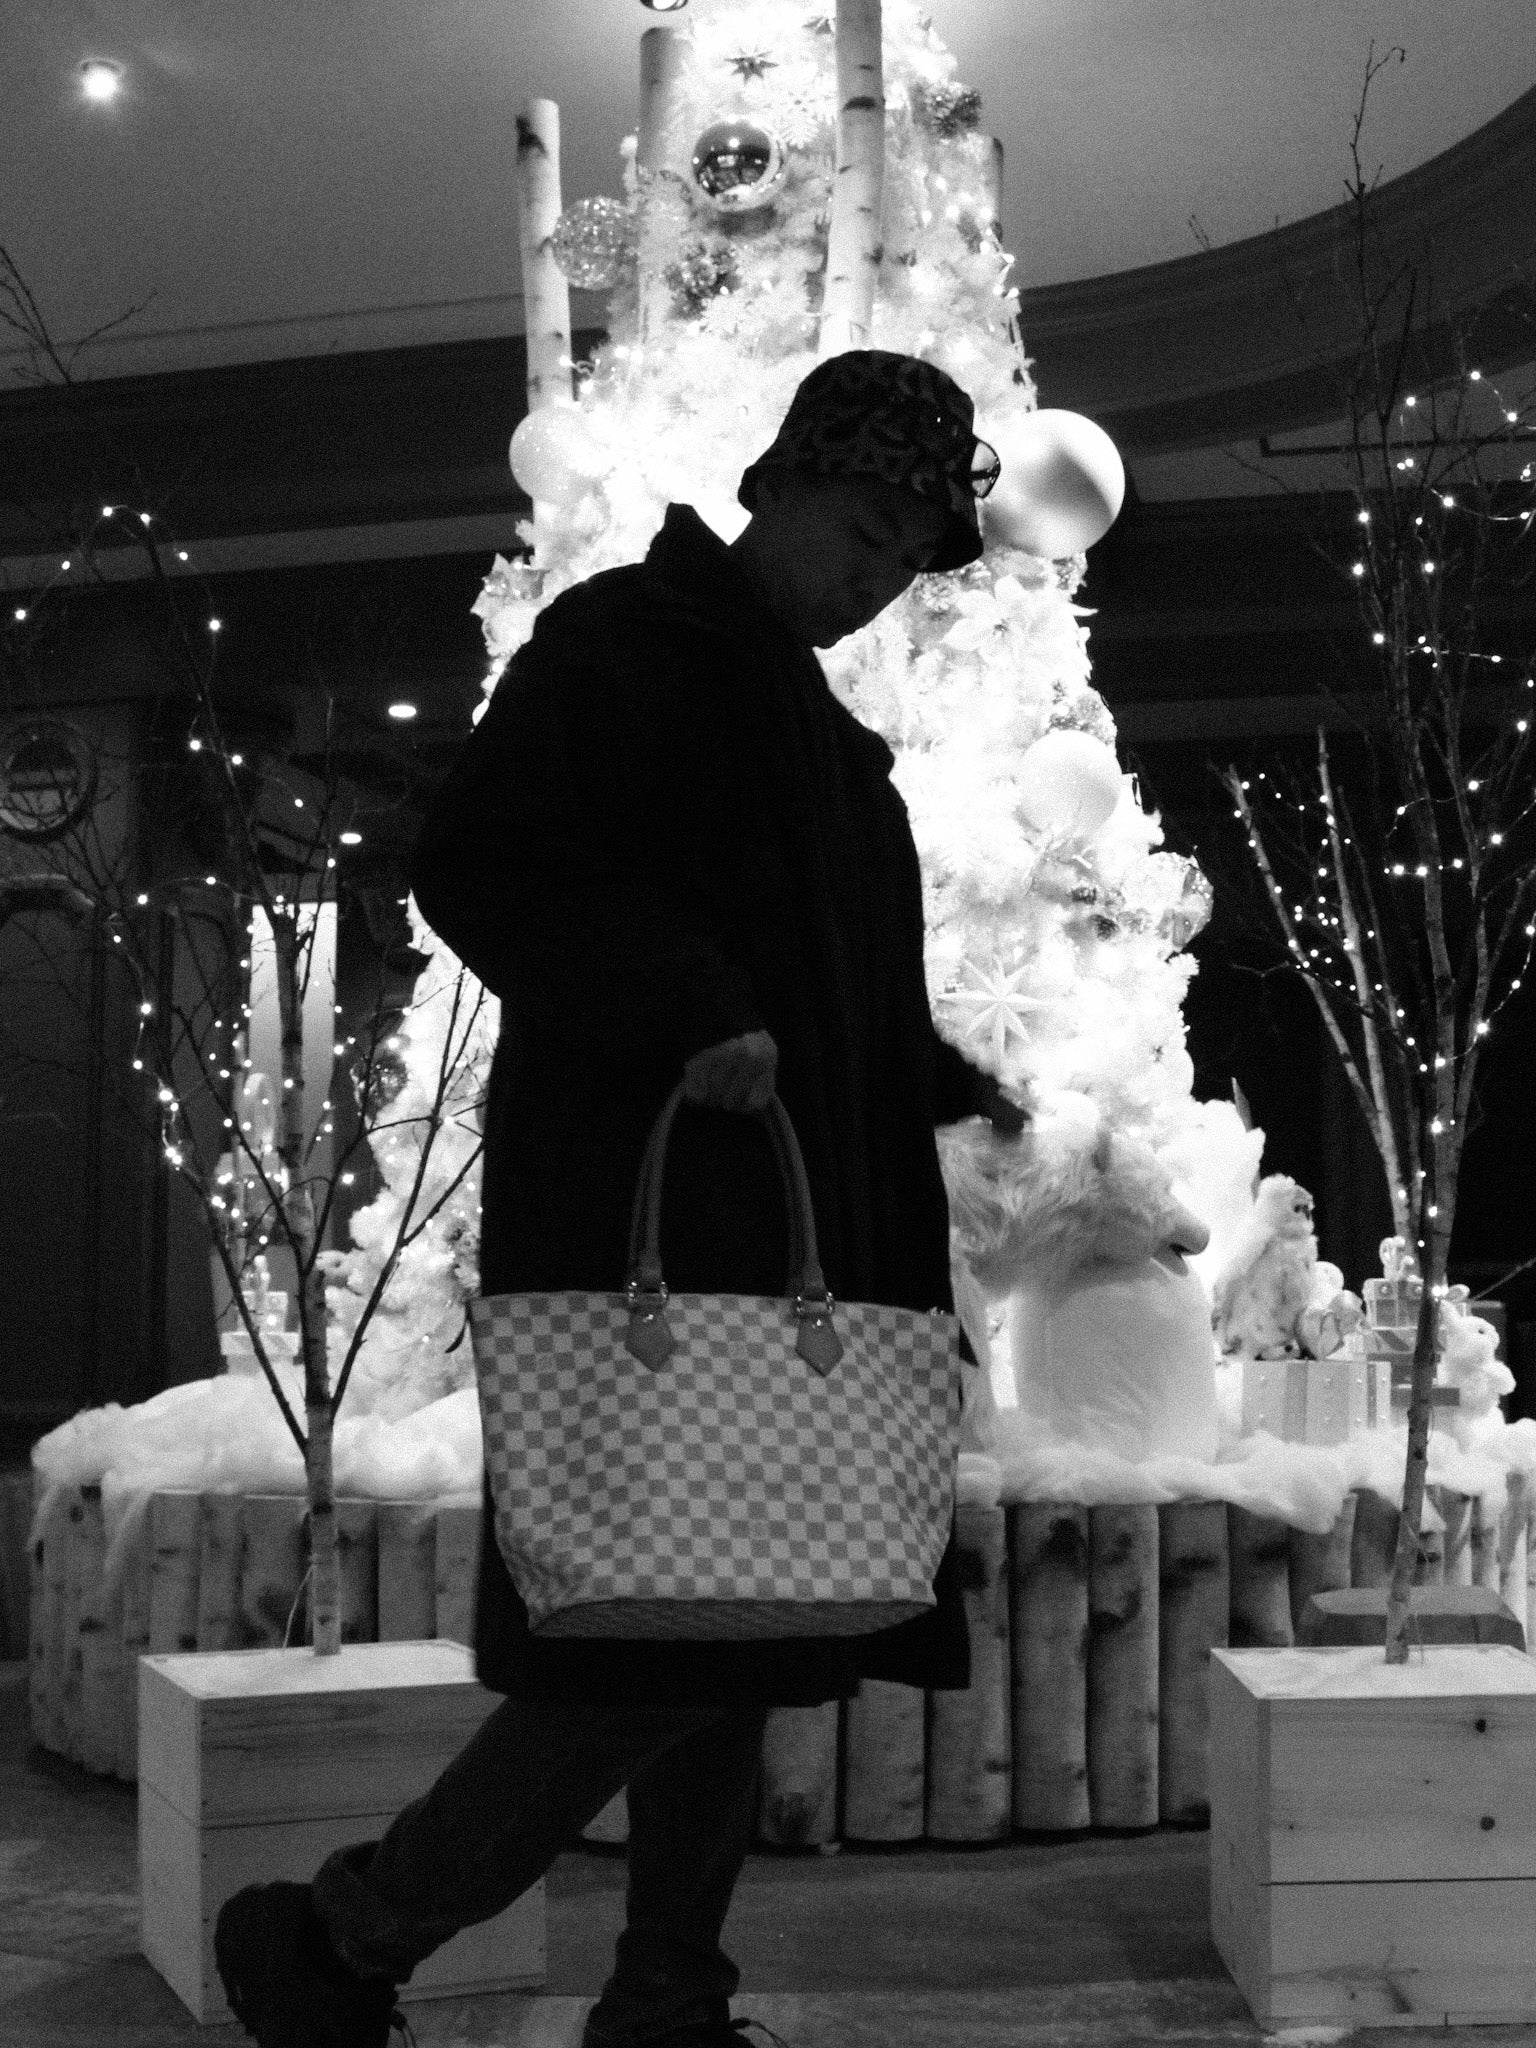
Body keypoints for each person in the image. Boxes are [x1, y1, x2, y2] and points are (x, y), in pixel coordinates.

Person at [213, 349, 1023, 2048]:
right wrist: (684, 1002)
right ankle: (344, 1939)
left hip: (794, 1247)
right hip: (662, 1237)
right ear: (780, 489)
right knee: (658, 1652)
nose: (876, 581)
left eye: (905, 559)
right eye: (861, 534)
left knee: (739, 1631)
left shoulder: (818, 733)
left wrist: (931, 1076)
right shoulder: (626, 647)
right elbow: (484, 861)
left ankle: (667, 1997)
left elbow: (821, 981)